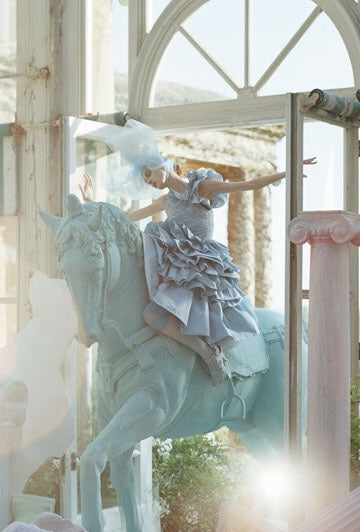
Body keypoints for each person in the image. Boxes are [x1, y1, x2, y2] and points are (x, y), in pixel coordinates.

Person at [126, 156, 316, 385]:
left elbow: (246, 185)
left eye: (148, 172)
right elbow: (127, 218)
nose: (148, 181)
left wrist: (288, 172)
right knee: (150, 313)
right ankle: (197, 358)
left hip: (201, 268)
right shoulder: (166, 200)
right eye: (144, 178)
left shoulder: (201, 188)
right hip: (176, 266)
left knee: (169, 315)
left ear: (164, 164)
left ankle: (212, 356)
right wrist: (89, 203)